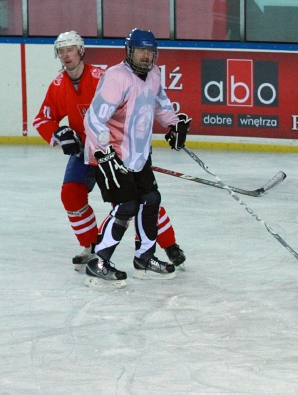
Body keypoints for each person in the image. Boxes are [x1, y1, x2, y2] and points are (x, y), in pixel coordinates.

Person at [32, 31, 187, 271]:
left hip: (116, 149)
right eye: (61, 51)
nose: (66, 55)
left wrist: (140, 141)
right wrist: (59, 134)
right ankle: (93, 248)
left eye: (70, 49)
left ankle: (167, 245)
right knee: (74, 195)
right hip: (88, 151)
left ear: (81, 51)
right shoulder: (58, 85)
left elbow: (138, 108)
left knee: (144, 200)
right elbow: (44, 119)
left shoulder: (103, 76)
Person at [81, 29, 192, 288]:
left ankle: (144, 258)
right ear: (129, 51)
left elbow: (161, 106)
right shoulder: (116, 77)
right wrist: (105, 152)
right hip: (109, 155)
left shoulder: (154, 74)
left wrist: (174, 125)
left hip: (139, 155)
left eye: (150, 51)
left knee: (151, 200)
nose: (146, 56)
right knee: (127, 206)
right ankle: (98, 261)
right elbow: (94, 119)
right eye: (140, 50)